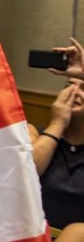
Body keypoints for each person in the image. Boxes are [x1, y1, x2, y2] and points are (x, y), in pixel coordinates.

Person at [28, 80, 84, 229]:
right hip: (34, 241)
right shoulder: (33, 134)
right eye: (69, 86)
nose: (74, 92)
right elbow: (25, 173)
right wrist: (58, 123)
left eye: (83, 88)